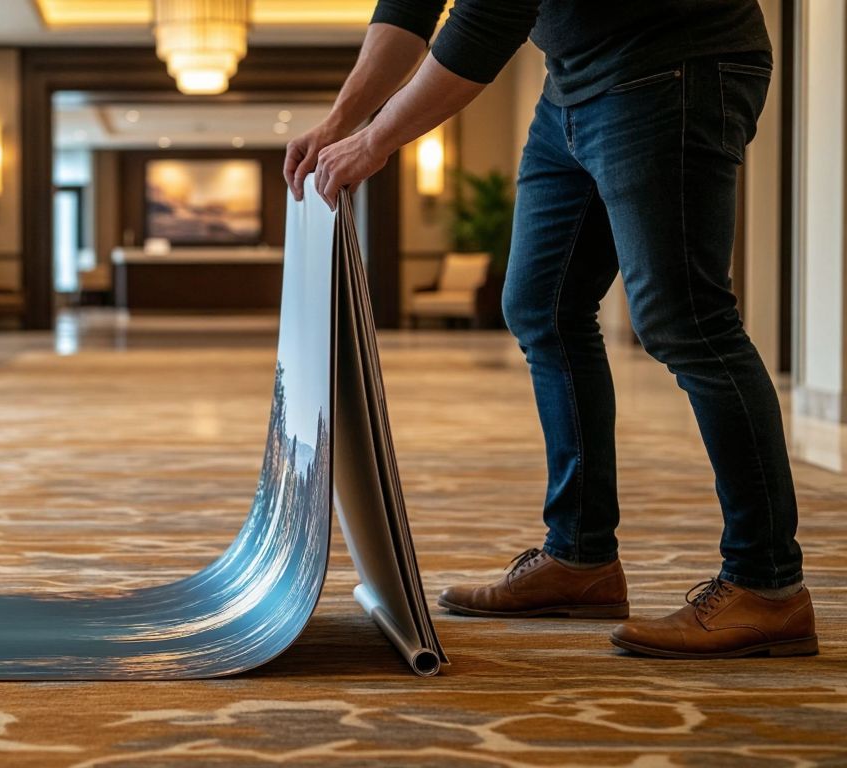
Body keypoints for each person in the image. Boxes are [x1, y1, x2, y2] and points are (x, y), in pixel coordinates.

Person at [285, 0, 817, 659]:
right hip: (573, 81)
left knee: (688, 323)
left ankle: (767, 586)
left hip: (674, 64)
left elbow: (486, 21)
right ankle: (580, 558)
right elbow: (412, 4)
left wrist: (374, 140)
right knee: (543, 307)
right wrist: (342, 119)